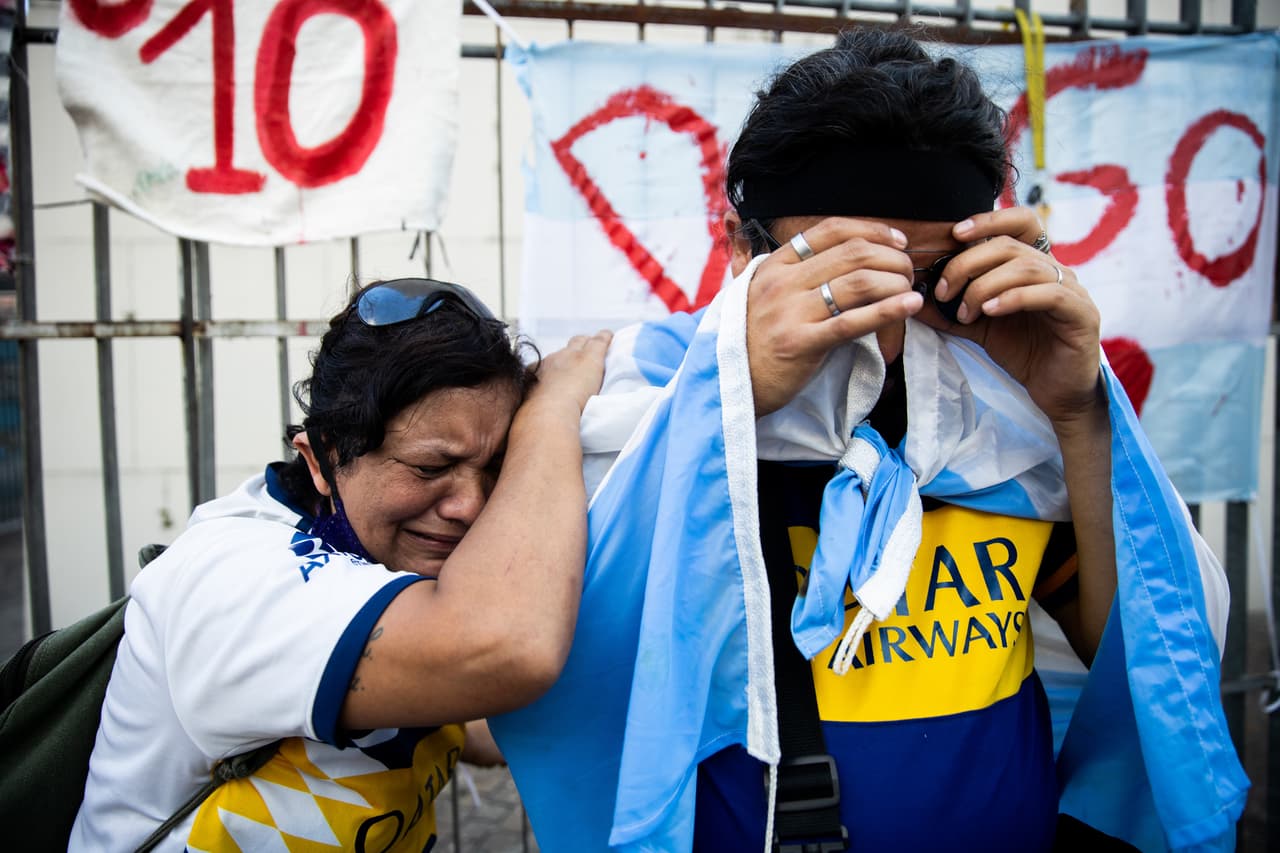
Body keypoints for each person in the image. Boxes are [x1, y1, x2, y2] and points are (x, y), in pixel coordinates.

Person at [489, 26, 1243, 853]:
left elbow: (1147, 659)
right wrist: (724, 410)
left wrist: (1079, 413)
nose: (886, 331)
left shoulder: (1005, 410)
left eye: (929, 283)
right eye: (841, 280)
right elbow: (546, 671)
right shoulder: (633, 406)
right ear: (741, 250)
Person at [69, 278, 610, 851]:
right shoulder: (235, 579)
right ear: (322, 458)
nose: (469, 507)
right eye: (430, 469)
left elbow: (461, 720)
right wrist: (550, 413)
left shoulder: (375, 555)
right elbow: (506, 649)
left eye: (497, 467)